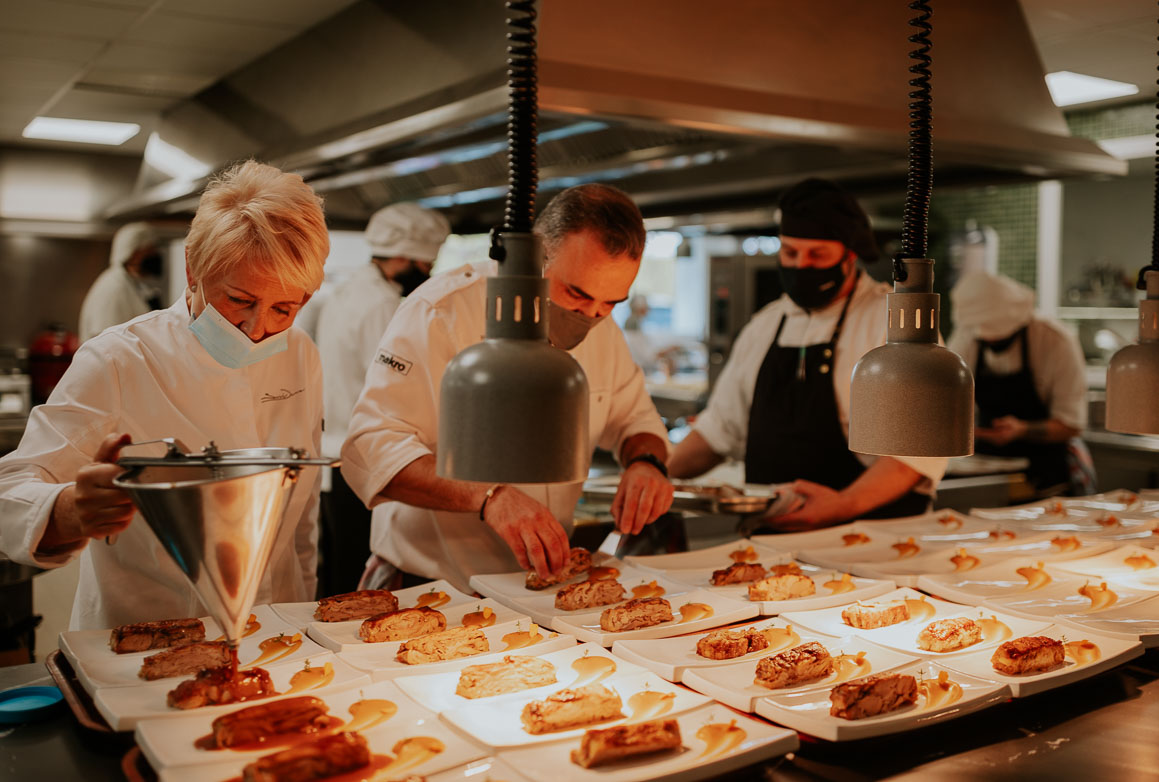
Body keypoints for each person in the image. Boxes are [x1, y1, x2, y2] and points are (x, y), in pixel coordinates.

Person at [0, 161, 329, 630]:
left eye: (283, 308)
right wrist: (70, 510)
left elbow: (301, 517)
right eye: (239, 300)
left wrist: (301, 620)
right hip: (146, 639)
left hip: (276, 632)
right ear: (194, 270)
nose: (257, 331)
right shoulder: (119, 359)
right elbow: (9, 490)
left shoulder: (301, 354)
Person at [341, 184, 675, 592]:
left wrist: (646, 464)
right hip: (430, 585)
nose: (590, 316)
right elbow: (371, 447)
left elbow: (635, 418)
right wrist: (490, 497)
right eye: (576, 293)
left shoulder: (602, 331)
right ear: (535, 254)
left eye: (611, 304)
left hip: (537, 591)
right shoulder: (440, 312)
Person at [668, 178, 947, 528]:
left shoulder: (894, 326)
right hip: (771, 543)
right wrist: (651, 479)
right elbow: (718, 430)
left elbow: (918, 450)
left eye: (817, 254)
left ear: (849, 254)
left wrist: (843, 505)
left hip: (869, 541)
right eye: (790, 253)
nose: (801, 266)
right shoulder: (765, 325)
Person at [314, 203, 451, 596]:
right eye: (425, 266)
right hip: (365, 460)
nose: (426, 275)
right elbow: (398, 390)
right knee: (361, 584)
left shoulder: (349, 290)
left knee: (340, 569)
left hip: (336, 458)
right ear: (406, 256)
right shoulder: (383, 305)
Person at [948, 269, 1089, 493]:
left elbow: (1071, 425)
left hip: (1045, 471)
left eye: (999, 335)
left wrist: (1022, 430)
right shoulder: (967, 337)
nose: (991, 339)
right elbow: (947, 401)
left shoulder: (1055, 341)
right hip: (987, 471)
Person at [79, 222, 166, 342]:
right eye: (150, 250)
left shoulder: (133, 285)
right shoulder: (114, 288)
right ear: (135, 254)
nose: (156, 256)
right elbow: (106, 341)